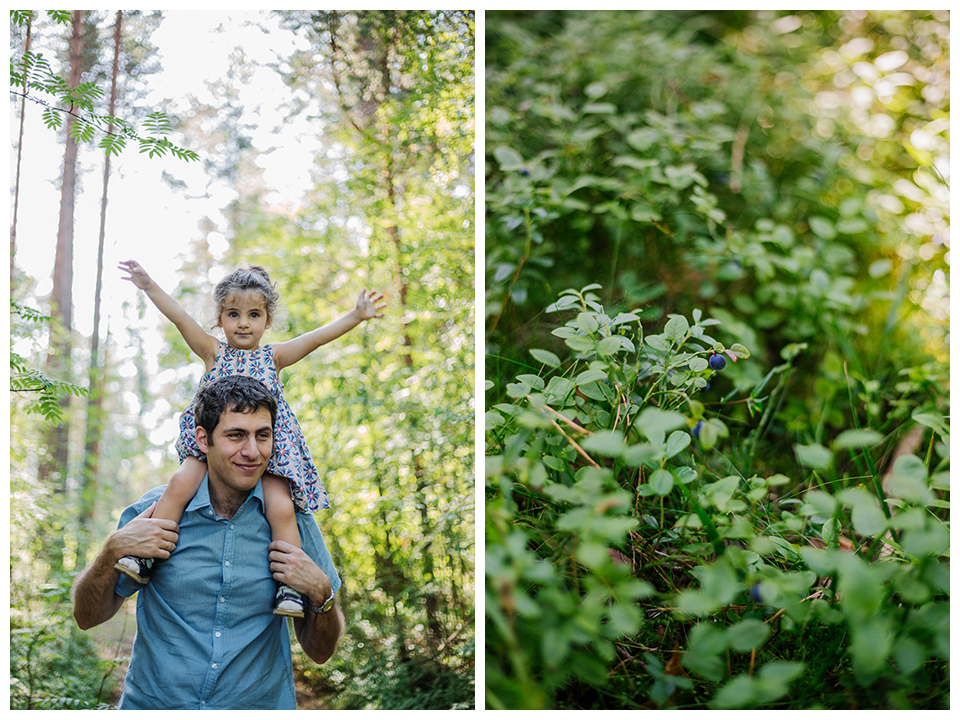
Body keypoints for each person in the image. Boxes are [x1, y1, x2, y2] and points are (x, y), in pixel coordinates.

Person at [113, 260, 385, 616]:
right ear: (220, 319)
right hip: (213, 441)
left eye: (254, 314)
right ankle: (145, 557)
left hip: (269, 450)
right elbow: (180, 317)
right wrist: (148, 285)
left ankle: (288, 587)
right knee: (180, 483)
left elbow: (317, 337)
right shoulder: (213, 352)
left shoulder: (273, 357)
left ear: (267, 321)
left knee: (282, 507)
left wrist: (356, 315)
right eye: (233, 314)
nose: (243, 323)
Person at [72, 374, 345, 709]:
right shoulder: (154, 514)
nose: (252, 451)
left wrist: (321, 592)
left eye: (263, 436)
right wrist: (109, 552)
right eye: (236, 436)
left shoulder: (293, 524)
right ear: (203, 439)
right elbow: (87, 617)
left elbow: (320, 652)